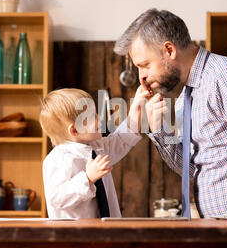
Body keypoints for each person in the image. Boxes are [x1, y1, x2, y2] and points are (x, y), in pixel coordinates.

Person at [114, 8, 227, 218]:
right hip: (215, 225)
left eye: (144, 65)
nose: (142, 77)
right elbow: (188, 169)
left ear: (169, 50)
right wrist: (159, 129)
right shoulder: (186, 95)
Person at [39, 87, 148, 218]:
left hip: (106, 231)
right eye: (92, 116)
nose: (99, 118)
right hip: (76, 236)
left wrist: (136, 106)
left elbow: (121, 139)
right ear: (74, 130)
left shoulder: (97, 148)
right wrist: (87, 179)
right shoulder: (57, 159)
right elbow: (57, 198)